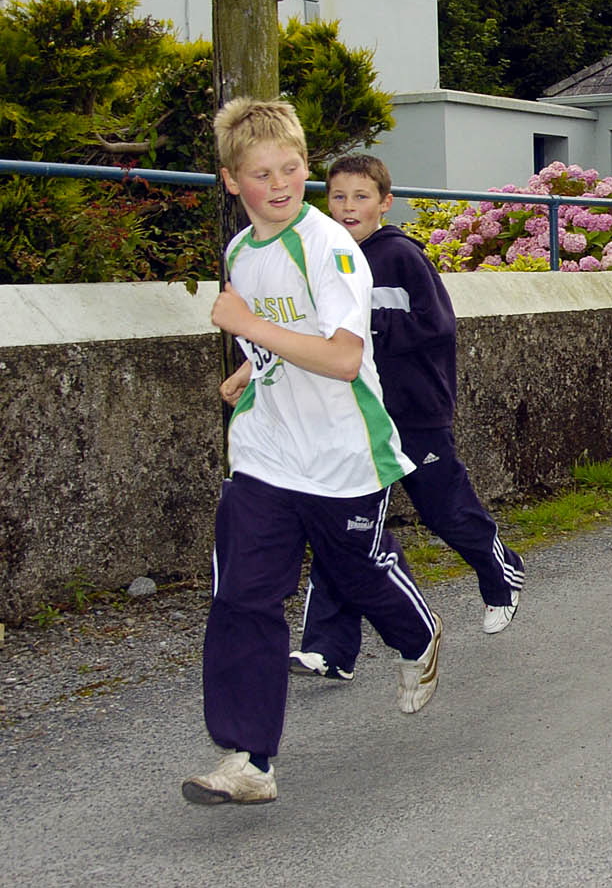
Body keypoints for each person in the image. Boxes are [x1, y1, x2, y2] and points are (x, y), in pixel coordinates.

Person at [182, 99, 443, 807]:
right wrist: (245, 367)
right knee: (243, 596)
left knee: (354, 575)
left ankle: (418, 635)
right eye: (261, 173)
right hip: (267, 454)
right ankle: (249, 759)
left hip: (341, 452)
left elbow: (339, 357)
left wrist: (244, 323)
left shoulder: (328, 247)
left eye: (291, 168)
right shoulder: (242, 251)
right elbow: (273, 343)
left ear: (305, 167)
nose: (279, 184)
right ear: (234, 181)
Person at [288, 154, 525, 683]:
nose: (348, 208)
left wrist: (367, 331)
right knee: (344, 528)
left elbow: (437, 325)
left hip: (415, 412)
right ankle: (329, 649)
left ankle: (501, 574)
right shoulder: (322, 257)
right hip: (356, 417)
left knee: (444, 511)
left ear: (384, 202)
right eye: (339, 196)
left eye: (361, 197)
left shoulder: (398, 256)